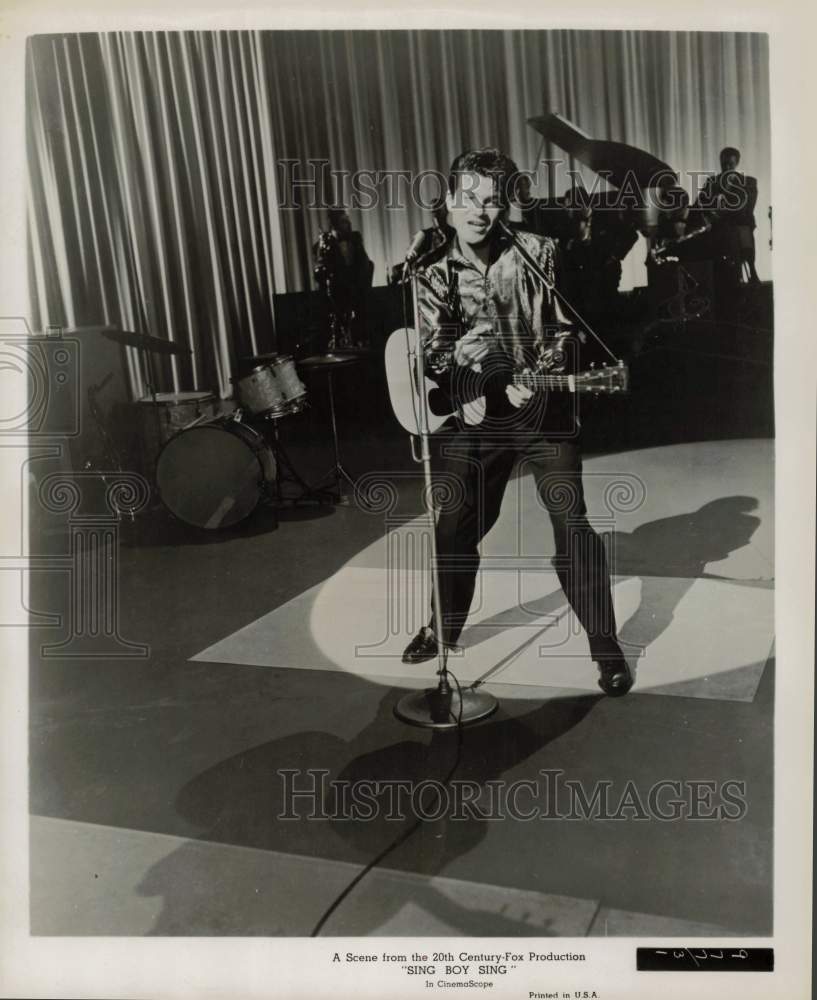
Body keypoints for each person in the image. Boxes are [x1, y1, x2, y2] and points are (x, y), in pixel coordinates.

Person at [401, 147, 633, 696]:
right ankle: (443, 627)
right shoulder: (431, 274)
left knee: (572, 525)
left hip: (541, 415)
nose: (480, 212)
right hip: (477, 419)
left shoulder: (538, 252)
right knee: (456, 523)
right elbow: (433, 352)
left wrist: (538, 368)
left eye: (491, 201)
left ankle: (607, 648)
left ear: (504, 206)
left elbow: (564, 330)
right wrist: (465, 383)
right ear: (449, 203)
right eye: (468, 200)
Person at [694, 146, 759, 284]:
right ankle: (714, 277)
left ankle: (751, 270)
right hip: (717, 225)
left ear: (737, 163)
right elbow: (699, 204)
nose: (727, 167)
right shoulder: (712, 182)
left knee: (741, 230)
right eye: (724, 164)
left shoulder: (748, 182)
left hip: (739, 223)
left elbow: (747, 208)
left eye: (731, 164)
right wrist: (706, 216)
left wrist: (722, 211)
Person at [312, 208, 374, 350]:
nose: (349, 224)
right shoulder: (323, 244)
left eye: (348, 220)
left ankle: (360, 341)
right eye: (344, 221)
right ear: (335, 225)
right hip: (336, 294)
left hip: (355, 291)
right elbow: (321, 272)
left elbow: (366, 265)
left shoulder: (356, 239)